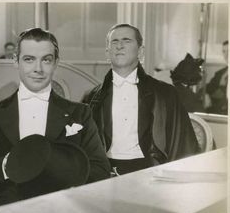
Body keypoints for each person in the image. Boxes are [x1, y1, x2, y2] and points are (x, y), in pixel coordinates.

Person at [0, 28, 111, 209]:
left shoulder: (80, 113)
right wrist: (5, 166)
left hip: (62, 209)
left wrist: (60, 170)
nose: (38, 69)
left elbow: (101, 171)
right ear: (16, 62)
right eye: (29, 59)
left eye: (46, 60)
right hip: (6, 212)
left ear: (56, 63)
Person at [84, 24, 199, 175]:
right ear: (107, 53)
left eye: (126, 40)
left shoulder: (165, 94)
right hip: (104, 173)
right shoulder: (92, 98)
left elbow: (183, 145)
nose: (120, 46)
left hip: (151, 172)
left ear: (140, 51)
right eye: (115, 41)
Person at [205, 40, 228, 115]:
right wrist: (206, 94)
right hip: (216, 111)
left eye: (229, 51)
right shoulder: (220, 73)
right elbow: (208, 87)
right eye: (224, 51)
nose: (226, 55)